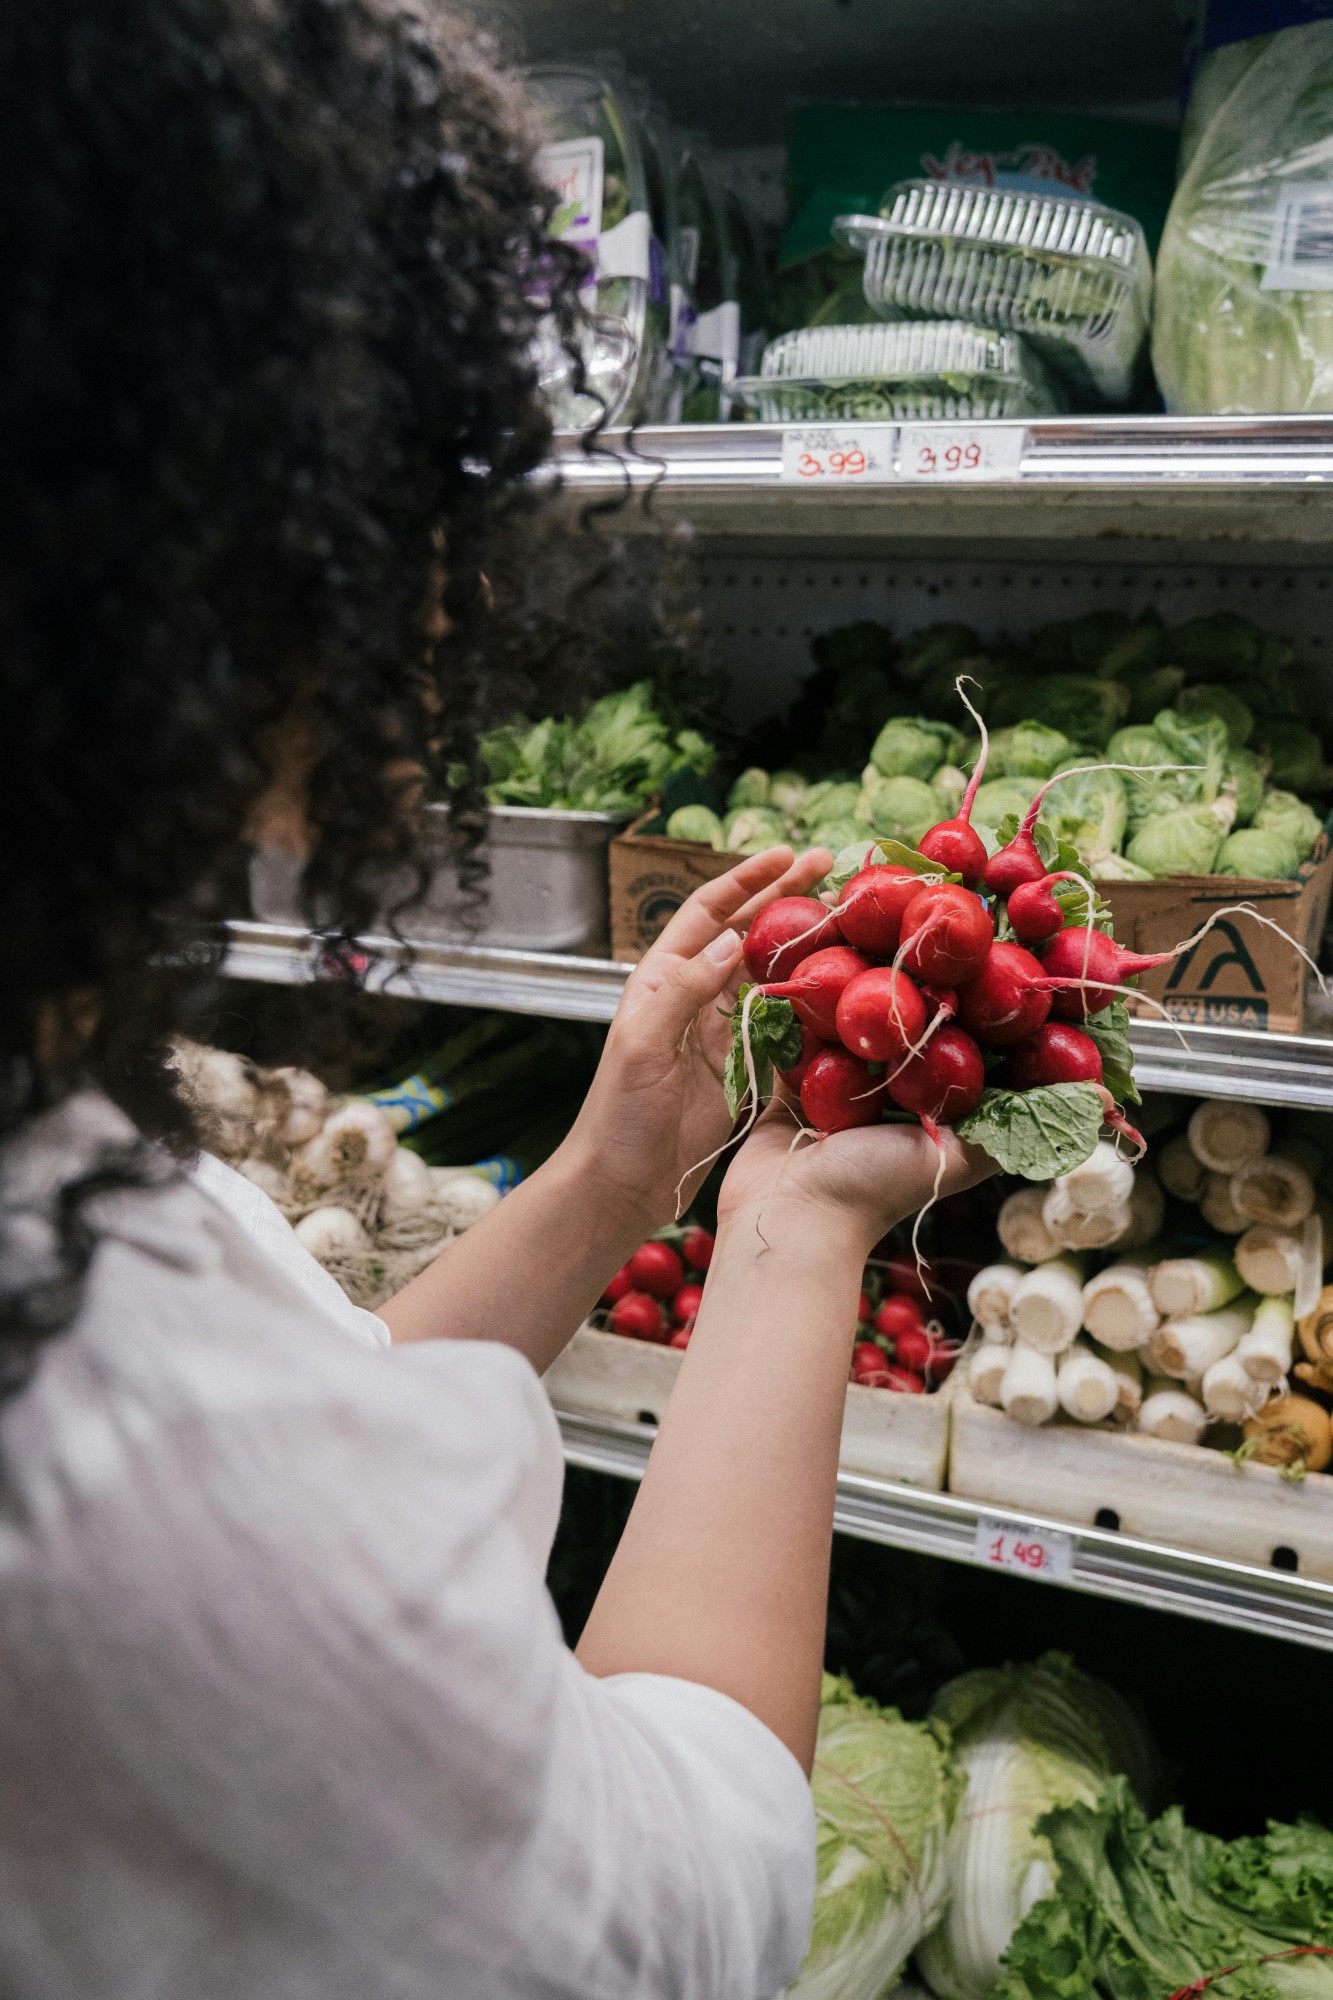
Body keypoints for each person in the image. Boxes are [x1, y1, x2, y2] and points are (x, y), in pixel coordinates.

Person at [0, 2, 986, 1995]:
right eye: (420, 475)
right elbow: (670, 1919)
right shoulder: (102, 1430)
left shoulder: (71, 1204)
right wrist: (788, 1233)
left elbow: (310, 1405)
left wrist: (620, 1174)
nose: (441, 579)